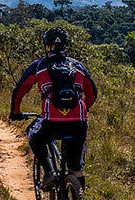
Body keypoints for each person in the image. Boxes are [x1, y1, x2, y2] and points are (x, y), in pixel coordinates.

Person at [9, 27, 97, 190]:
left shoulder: (39, 66)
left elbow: (19, 91)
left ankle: (50, 172)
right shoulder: (78, 66)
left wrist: (15, 112)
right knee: (76, 168)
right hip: (79, 121)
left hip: (51, 121)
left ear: (46, 46)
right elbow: (92, 93)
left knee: (32, 133)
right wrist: (85, 108)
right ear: (65, 46)